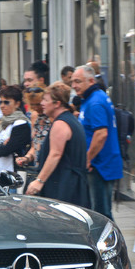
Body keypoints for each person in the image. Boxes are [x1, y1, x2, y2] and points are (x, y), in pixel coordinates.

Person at [23, 81, 90, 208]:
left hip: (64, 187)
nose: (42, 103)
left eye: (45, 100)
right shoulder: (70, 120)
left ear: (57, 104)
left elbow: (55, 154)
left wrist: (39, 181)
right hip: (71, 184)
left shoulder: (60, 124)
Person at [71, 64, 123, 220]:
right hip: (100, 164)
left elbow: (101, 134)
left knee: (101, 214)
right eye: (73, 82)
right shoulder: (93, 98)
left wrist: (88, 158)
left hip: (100, 166)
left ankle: (110, 243)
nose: (74, 86)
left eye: (78, 81)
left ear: (91, 81)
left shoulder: (95, 102)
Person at [0, 85, 32, 180]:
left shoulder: (21, 123)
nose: (2, 106)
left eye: (6, 102)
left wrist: (0, 147)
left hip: (13, 175)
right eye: (0, 102)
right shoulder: (3, 123)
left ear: (17, 104)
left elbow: (8, 149)